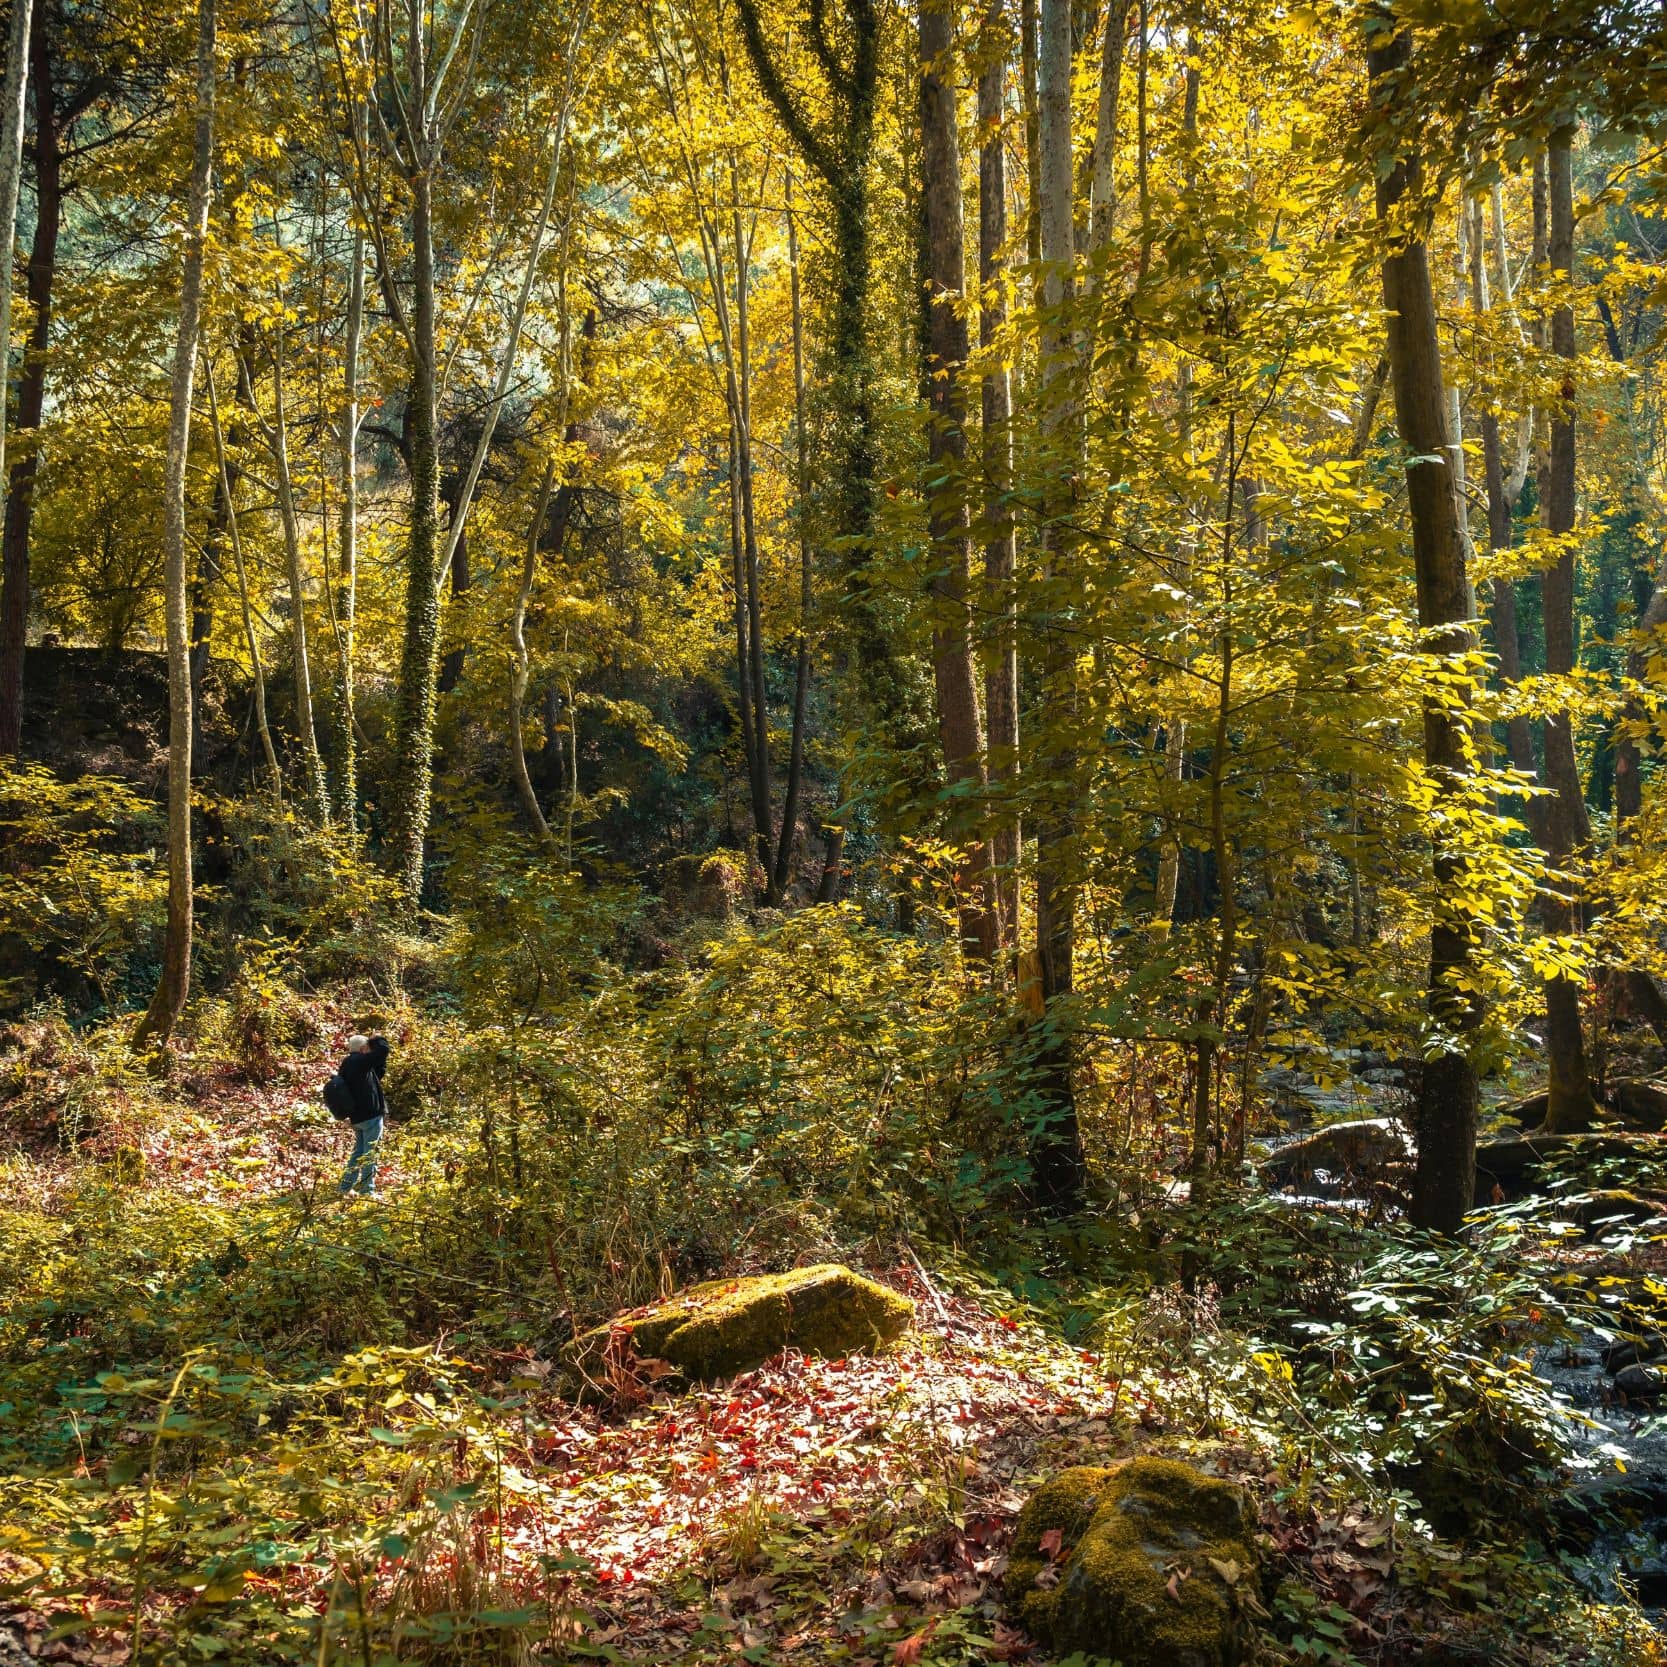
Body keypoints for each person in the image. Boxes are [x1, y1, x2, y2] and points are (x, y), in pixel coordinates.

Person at [337, 1033, 390, 1198]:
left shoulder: (348, 1063)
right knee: (370, 1153)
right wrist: (378, 1039)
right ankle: (368, 1190)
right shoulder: (359, 1061)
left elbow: (376, 1075)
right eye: (368, 1047)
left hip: (357, 1117)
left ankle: (345, 1187)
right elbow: (383, 1050)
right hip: (370, 1116)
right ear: (363, 1048)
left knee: (359, 1152)